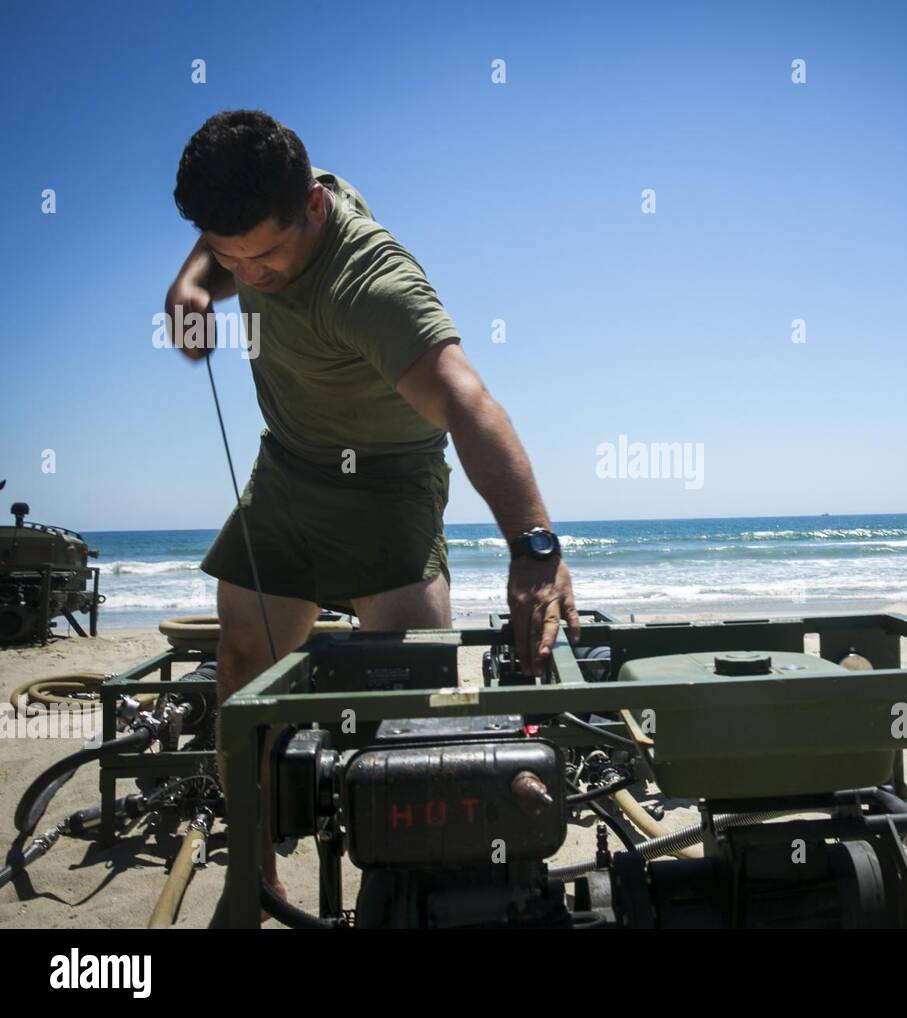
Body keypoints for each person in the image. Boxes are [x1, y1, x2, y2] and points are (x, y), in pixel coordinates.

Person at [165, 109, 580, 917]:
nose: (251, 276)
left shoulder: (373, 282)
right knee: (243, 665)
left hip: (391, 483)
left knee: (411, 690)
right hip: (287, 468)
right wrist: (191, 285)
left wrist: (534, 550)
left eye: (269, 255)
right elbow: (220, 256)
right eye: (232, 255)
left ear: (314, 209)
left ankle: (412, 890)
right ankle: (253, 868)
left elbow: (467, 400)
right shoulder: (261, 208)